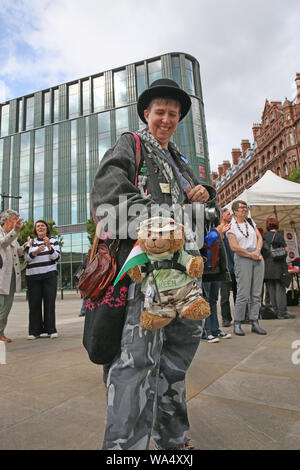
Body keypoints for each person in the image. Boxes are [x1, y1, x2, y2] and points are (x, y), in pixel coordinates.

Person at [90, 78, 221, 450]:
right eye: (160, 112)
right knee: (135, 365)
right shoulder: (130, 145)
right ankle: (124, 450)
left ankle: (173, 441)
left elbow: (204, 214)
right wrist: (176, 213)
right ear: (146, 114)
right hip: (144, 279)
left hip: (183, 279)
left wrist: (203, 195)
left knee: (175, 364)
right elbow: (109, 205)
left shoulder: (179, 161)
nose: (166, 119)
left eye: (173, 114)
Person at [227, 200, 267, 336]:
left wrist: (257, 251)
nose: (244, 210)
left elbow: (259, 237)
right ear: (235, 211)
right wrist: (251, 254)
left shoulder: (250, 221)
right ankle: (238, 322)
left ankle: (255, 321)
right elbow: (234, 247)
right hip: (243, 257)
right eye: (241, 208)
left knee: (256, 293)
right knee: (243, 293)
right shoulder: (230, 226)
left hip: (257, 256)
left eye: (246, 207)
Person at [24, 220, 60, 339]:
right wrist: (37, 251)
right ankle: (34, 331)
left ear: (46, 228)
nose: (40, 227)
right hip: (33, 277)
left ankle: (51, 330)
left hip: (49, 276)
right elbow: (27, 258)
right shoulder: (31, 242)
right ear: (35, 229)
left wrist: (49, 246)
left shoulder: (54, 241)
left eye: (42, 226)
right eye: (38, 226)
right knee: (34, 304)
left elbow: (56, 258)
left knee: (50, 303)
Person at [0, 209, 26, 343]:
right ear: (6, 220)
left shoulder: (13, 236)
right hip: (1, 275)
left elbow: (17, 252)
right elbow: (3, 243)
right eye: (15, 219)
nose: (17, 221)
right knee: (1, 305)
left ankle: (1, 332)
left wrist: (25, 247)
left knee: (7, 306)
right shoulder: (3, 233)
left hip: (11, 275)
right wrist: (15, 231)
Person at [263, 217, 295, 319]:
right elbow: (286, 249)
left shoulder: (264, 236)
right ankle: (282, 312)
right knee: (280, 289)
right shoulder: (279, 236)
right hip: (278, 266)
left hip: (267, 267)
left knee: (271, 289)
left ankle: (276, 311)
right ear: (276, 225)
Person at [219, 208, 237, 327]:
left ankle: (241, 316)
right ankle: (226, 318)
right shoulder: (219, 229)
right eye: (228, 214)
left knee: (238, 293)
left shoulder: (233, 228)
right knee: (225, 295)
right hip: (224, 268)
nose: (230, 215)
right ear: (222, 215)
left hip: (235, 266)